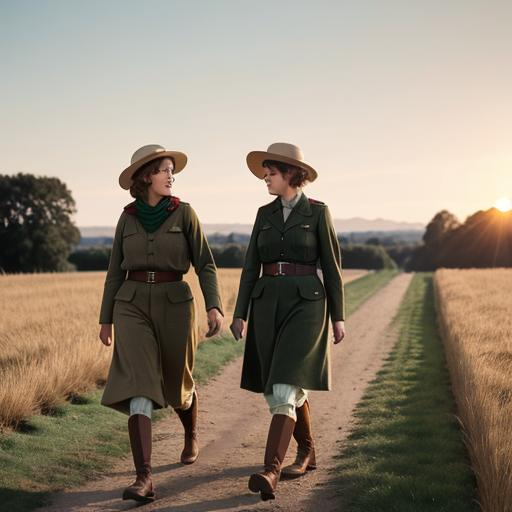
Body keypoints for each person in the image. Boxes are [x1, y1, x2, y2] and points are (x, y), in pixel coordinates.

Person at [98, 144, 223, 503]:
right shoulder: (127, 217)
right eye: (164, 170)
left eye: (173, 171)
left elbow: (206, 264)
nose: (171, 176)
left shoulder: (184, 214)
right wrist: (106, 318)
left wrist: (213, 305)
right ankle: (144, 479)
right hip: (131, 304)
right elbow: (113, 273)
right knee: (141, 385)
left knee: (175, 384)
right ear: (145, 177)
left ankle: (190, 432)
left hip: (175, 305)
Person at [230, 142, 346, 501]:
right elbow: (251, 266)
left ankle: (271, 471)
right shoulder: (263, 214)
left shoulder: (318, 212)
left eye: (271, 172)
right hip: (267, 306)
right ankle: (308, 449)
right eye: (265, 172)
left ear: (291, 175)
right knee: (281, 390)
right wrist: (240, 312)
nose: (265, 177)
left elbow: (331, 267)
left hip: (307, 305)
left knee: (283, 387)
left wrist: (339, 316)